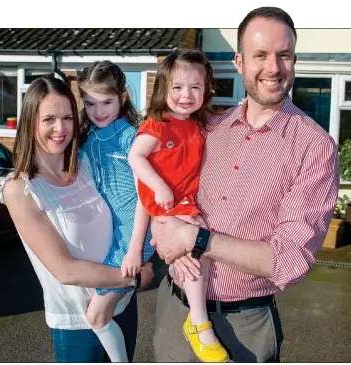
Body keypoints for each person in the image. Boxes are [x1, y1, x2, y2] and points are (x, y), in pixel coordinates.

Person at [150, 6, 340, 363]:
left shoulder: (314, 148)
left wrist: (195, 239)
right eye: (260, 55)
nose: (273, 67)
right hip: (175, 308)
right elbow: (166, 188)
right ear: (239, 62)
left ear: (294, 60)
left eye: (283, 55)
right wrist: (161, 232)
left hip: (244, 327)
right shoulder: (208, 128)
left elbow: (290, 259)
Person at [0, 76, 153, 363]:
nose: (60, 128)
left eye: (67, 117)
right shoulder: (21, 189)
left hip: (123, 307)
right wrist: (135, 276)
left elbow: (130, 203)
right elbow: (66, 271)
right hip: (78, 326)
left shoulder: (86, 163)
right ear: (31, 122)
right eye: (49, 119)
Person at [128, 49, 228, 363]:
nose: (186, 95)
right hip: (167, 203)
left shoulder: (198, 126)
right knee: (197, 238)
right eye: (177, 88)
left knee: (198, 248)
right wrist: (158, 186)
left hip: (186, 203)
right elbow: (135, 157)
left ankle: (176, 268)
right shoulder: (158, 124)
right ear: (163, 90)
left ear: (206, 91)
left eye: (195, 88)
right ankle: (199, 321)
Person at [78, 61, 155, 362]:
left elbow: (145, 198)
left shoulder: (133, 139)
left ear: (123, 98)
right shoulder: (89, 141)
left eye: (106, 102)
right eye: (89, 104)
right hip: (110, 236)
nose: (98, 112)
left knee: (96, 315)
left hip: (132, 237)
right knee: (105, 310)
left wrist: (135, 249)